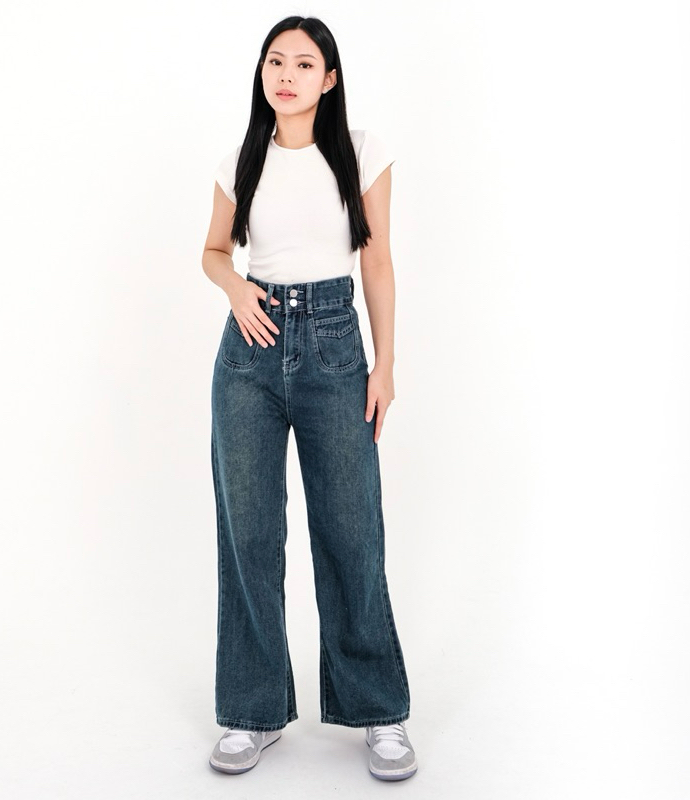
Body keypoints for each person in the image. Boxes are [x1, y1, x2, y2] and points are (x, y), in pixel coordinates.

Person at [201, 15, 417, 782]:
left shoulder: (360, 151)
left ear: (328, 79)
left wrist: (384, 365)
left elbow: (377, 261)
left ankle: (379, 710)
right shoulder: (241, 158)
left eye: (302, 63)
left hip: (333, 345)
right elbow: (213, 251)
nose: (286, 74)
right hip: (249, 353)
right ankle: (252, 711)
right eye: (274, 61)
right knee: (250, 537)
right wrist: (235, 288)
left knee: (351, 531)